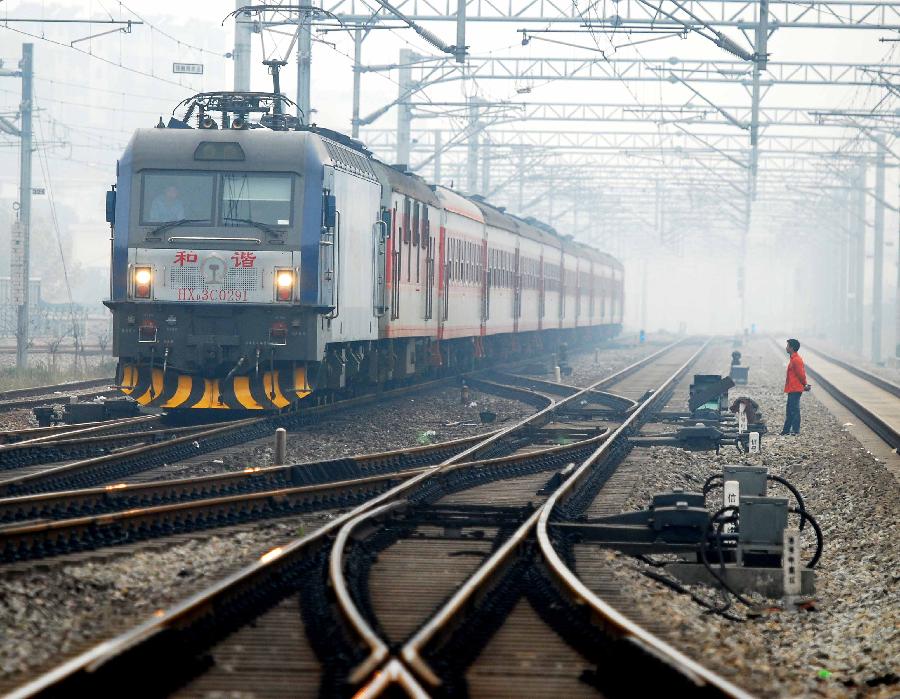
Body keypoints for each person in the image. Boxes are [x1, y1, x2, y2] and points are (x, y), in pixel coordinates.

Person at [782, 338, 811, 435]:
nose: (786, 348)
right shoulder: (793, 359)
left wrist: (805, 384)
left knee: (794, 410)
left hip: (795, 388)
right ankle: (786, 430)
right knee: (790, 410)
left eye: (788, 346)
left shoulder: (797, 360)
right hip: (792, 388)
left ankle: (795, 430)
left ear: (792, 348)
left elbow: (801, 374)